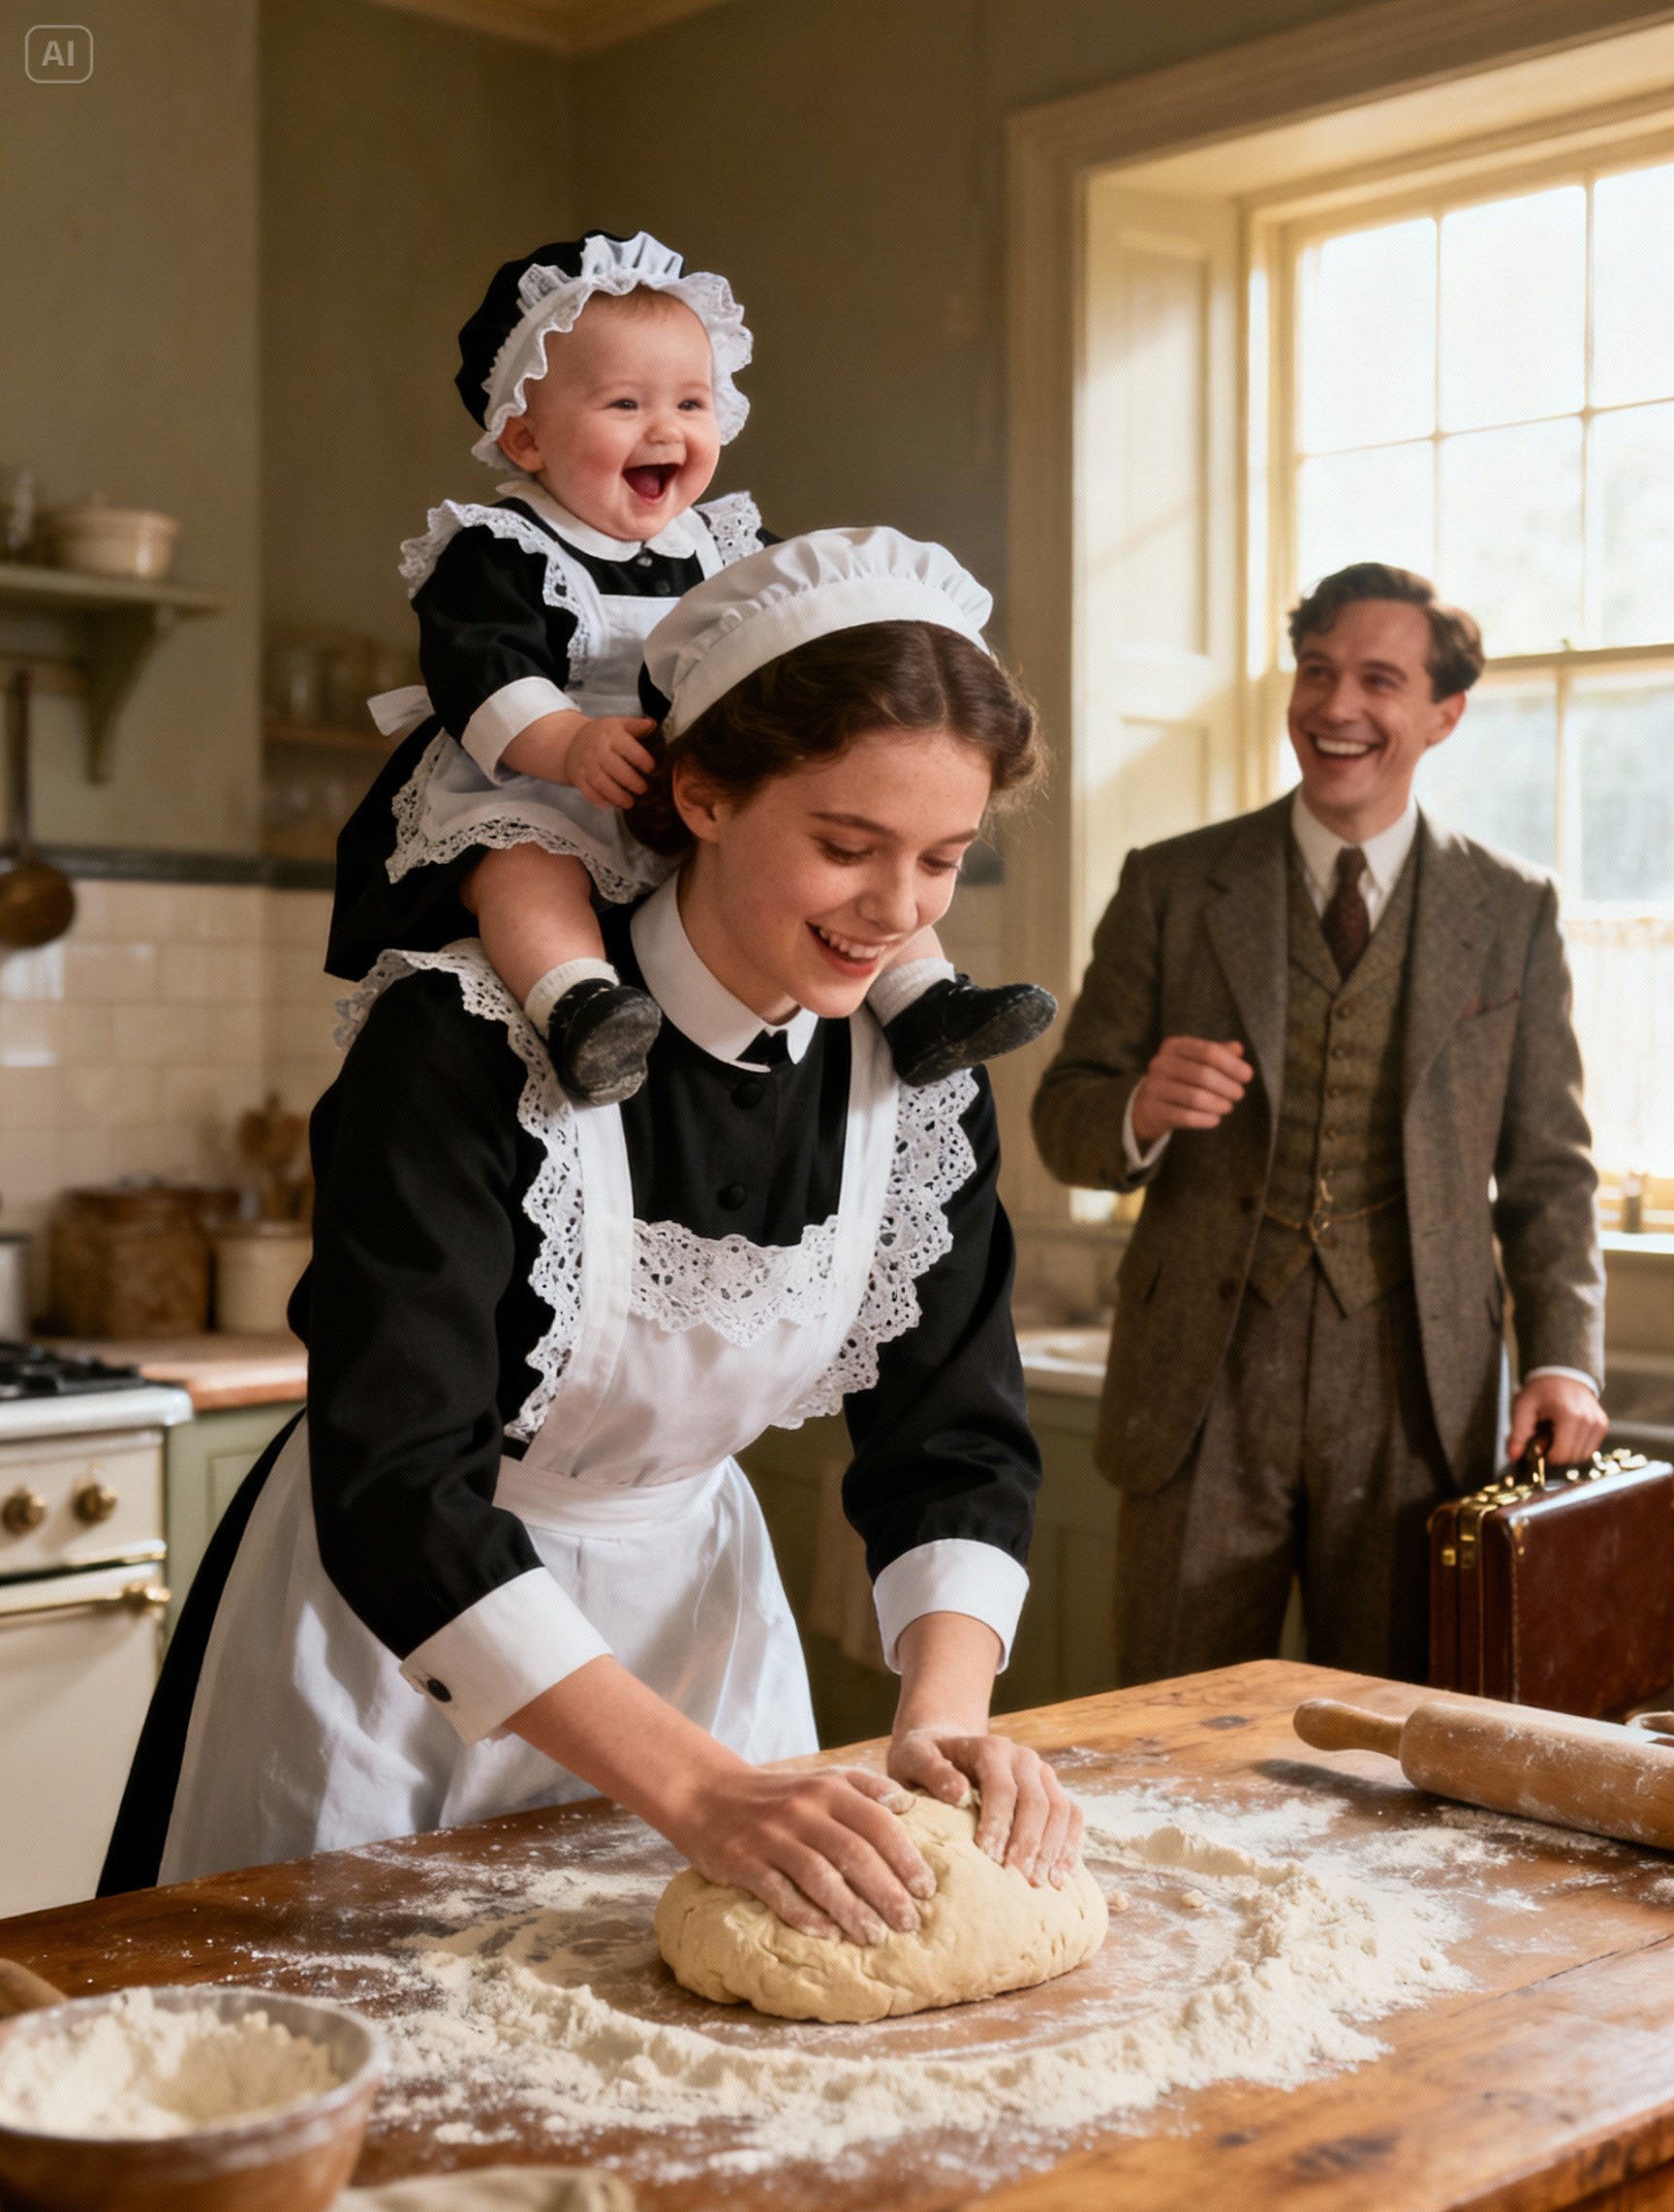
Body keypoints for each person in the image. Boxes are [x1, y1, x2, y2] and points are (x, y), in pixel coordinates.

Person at [104, 527, 1081, 1938]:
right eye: (847, 847)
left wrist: (944, 1713)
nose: (899, 912)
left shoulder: (911, 1085)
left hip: (701, 1640)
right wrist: (700, 1794)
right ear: (701, 793)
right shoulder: (458, 1039)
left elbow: (955, 1434)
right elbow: (395, 1486)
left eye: (943, 860)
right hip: (391, 1653)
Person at [1031, 562, 1606, 1686]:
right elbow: (1062, 1118)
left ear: (1443, 714)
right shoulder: (1174, 884)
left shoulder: (1512, 912)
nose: (1337, 707)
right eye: (1318, 670)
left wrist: (1565, 1360)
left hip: (1417, 1392)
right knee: (1165, 1721)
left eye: (1379, 681)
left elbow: (1551, 1171)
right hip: (1200, 1384)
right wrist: (1138, 1109)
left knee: (1391, 1744)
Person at [328, 230, 1054, 1106]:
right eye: (625, 405)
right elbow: (476, 665)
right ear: (524, 436)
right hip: (534, 774)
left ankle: (927, 1004)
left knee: (873, 861)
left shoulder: (730, 543)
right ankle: (578, 1004)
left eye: (691, 403)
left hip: (678, 776)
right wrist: (566, 745)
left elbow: (808, 634)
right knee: (523, 865)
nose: (666, 428)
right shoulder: (501, 547)